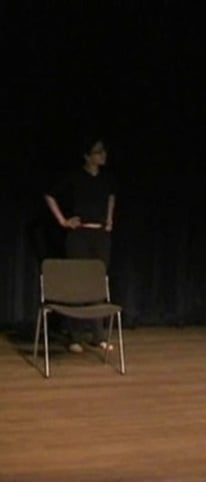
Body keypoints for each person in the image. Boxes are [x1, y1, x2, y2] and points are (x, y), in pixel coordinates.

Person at [44, 136, 117, 353]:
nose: (103, 155)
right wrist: (63, 221)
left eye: (103, 151)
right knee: (78, 284)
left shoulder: (107, 178)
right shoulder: (75, 177)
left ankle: (98, 336)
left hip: (100, 235)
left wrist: (109, 219)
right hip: (79, 235)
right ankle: (74, 336)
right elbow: (50, 195)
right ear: (87, 156)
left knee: (97, 283)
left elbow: (111, 197)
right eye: (98, 151)